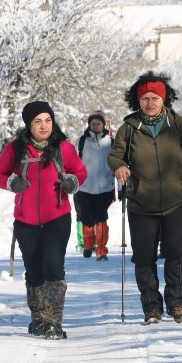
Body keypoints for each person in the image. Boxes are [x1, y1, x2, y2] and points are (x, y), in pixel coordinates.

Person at [108, 71, 182, 325]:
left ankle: (176, 303)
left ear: (164, 99)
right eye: (145, 98)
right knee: (143, 256)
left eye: (155, 98)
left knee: (176, 251)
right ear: (137, 100)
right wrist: (119, 166)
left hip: (177, 201)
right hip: (141, 203)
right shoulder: (129, 127)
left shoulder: (178, 124)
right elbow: (115, 156)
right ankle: (151, 307)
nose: (150, 103)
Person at [0, 101, 87, 340]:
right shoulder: (16, 149)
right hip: (26, 222)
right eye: (37, 121)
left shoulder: (63, 148)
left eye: (47, 120)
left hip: (57, 218)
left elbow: (80, 172)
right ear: (28, 125)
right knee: (33, 272)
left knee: (53, 268)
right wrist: (12, 183)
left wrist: (71, 182)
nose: (43, 126)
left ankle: (53, 321)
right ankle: (39, 320)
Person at [76, 110, 117, 261]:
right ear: (89, 125)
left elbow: (117, 163)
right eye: (93, 124)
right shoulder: (81, 141)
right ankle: (88, 245)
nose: (95, 126)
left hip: (105, 187)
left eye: (98, 123)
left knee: (101, 218)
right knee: (87, 219)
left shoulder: (111, 142)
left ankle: (101, 250)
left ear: (103, 125)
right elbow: (73, 163)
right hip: (85, 188)